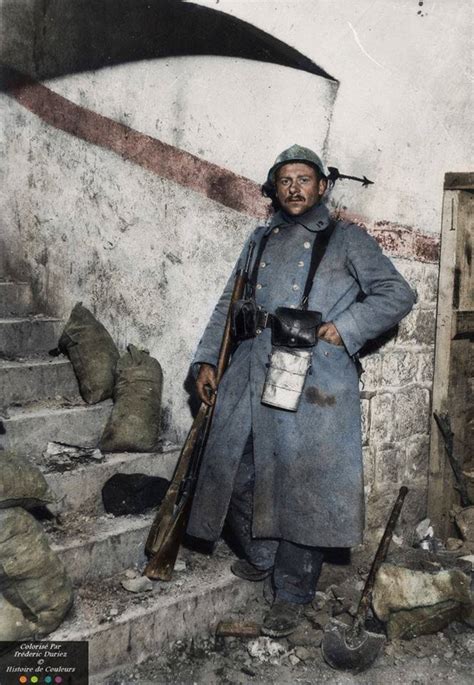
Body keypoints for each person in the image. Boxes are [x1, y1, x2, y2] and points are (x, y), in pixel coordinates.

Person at [186, 144, 415, 637]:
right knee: (234, 464)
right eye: (285, 179)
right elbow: (230, 302)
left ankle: (292, 593)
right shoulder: (259, 238)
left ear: (322, 187)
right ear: (275, 188)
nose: (294, 188)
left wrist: (345, 328)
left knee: (303, 486)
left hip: (312, 376)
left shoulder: (347, 239)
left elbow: (397, 294)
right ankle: (263, 552)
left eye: (304, 179)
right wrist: (208, 359)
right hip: (250, 364)